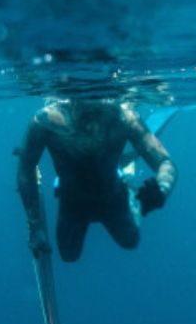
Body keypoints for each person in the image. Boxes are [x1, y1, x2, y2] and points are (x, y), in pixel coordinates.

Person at [17, 98, 177, 262]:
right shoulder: (45, 121)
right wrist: (35, 226)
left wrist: (162, 190)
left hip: (110, 196)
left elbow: (165, 162)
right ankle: (125, 168)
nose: (89, 106)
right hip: (72, 202)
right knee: (68, 255)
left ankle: (127, 180)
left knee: (130, 241)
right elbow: (26, 168)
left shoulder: (124, 117)